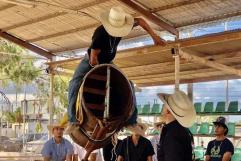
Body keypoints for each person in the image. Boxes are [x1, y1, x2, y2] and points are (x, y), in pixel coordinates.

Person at [67, 6, 166, 129]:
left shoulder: (123, 25)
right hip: (92, 61)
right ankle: (72, 120)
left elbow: (140, 21)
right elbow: (93, 59)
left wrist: (154, 36)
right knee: (75, 83)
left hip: (108, 61)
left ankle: (131, 121)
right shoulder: (100, 33)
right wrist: (101, 73)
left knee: (129, 83)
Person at [157, 90, 196, 161]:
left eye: (164, 106)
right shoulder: (180, 130)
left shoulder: (173, 134)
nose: (162, 110)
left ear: (168, 111)